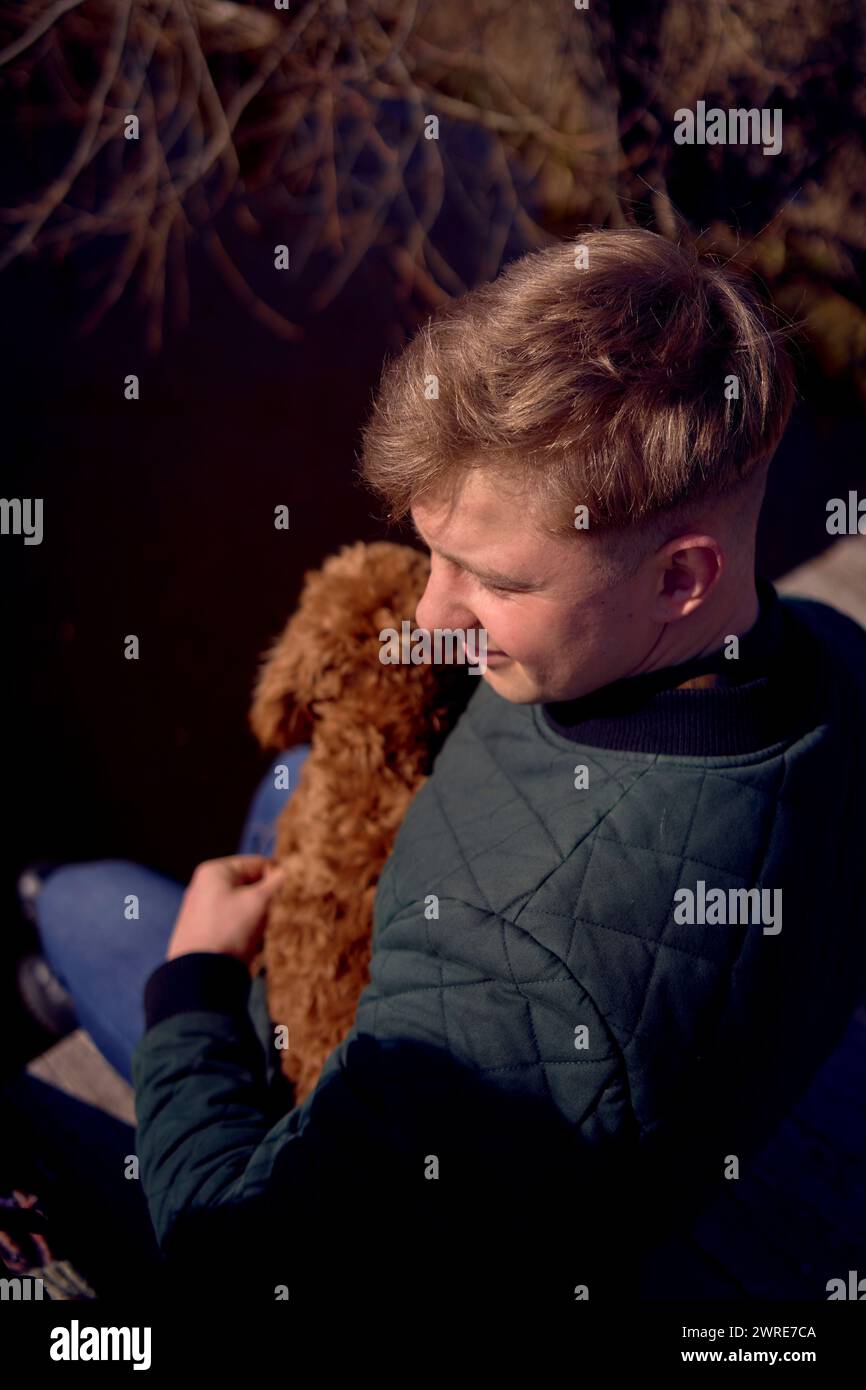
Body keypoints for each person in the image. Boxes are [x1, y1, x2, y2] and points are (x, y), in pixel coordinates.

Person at [28, 229, 866, 1309]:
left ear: (680, 580)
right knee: (291, 780)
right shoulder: (830, 657)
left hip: (381, 1119)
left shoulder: (508, 992)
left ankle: (51, 942)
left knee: (91, 904)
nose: (428, 616)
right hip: (607, 1089)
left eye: (493, 580)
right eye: (432, 553)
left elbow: (244, 1257)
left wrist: (192, 987)